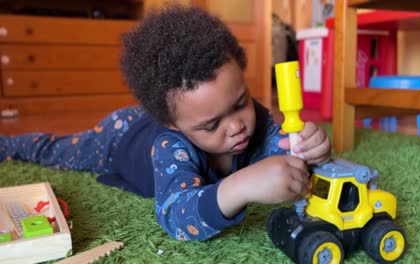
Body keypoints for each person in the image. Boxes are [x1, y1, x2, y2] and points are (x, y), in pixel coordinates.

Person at [0, 6, 330, 241]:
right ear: (172, 124)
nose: (236, 127)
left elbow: (280, 147)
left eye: (240, 103)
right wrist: (241, 185)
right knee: (56, 150)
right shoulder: (170, 146)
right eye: (212, 124)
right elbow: (176, 215)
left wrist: (310, 148)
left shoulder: (251, 118)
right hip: (119, 137)